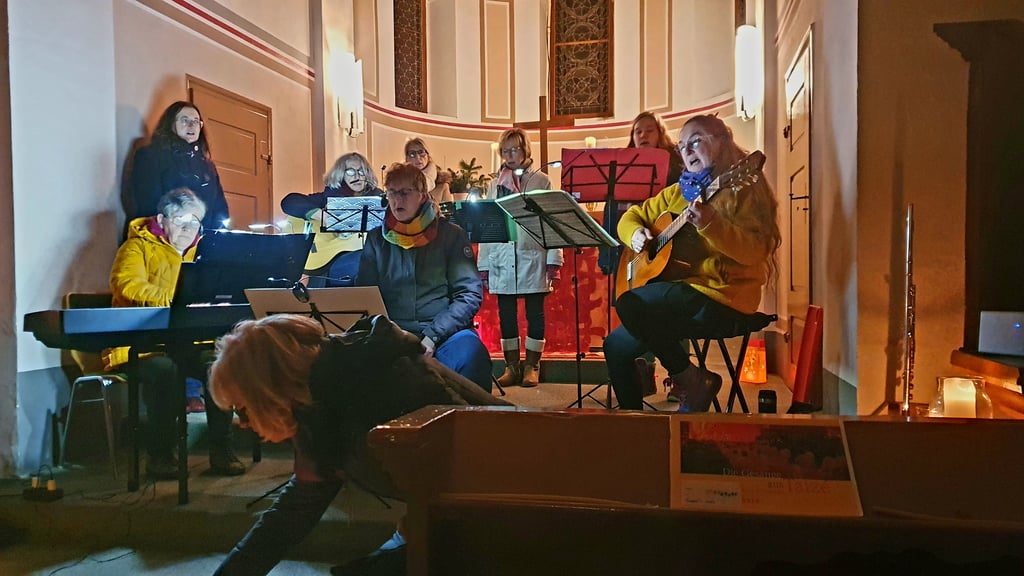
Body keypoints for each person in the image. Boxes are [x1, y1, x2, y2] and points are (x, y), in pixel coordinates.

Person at [208, 313, 511, 576]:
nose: (242, 422)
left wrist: (424, 522)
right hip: (453, 516)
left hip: (512, 505)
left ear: (269, 392)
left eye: (242, 407)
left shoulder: (384, 381)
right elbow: (295, 510)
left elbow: (483, 458)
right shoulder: (318, 400)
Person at [605, 114, 781, 411]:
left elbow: (755, 251)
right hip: (681, 292)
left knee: (631, 302)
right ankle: (633, 425)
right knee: (614, 346)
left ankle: (690, 378)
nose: (686, 150)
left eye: (696, 141)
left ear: (723, 142)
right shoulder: (677, 192)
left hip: (723, 296)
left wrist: (712, 223)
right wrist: (634, 235)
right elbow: (630, 216)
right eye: (683, 145)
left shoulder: (741, 186)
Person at [104, 188, 245, 477]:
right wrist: (175, 300)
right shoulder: (137, 247)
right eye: (182, 219)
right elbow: (127, 284)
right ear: (162, 218)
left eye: (196, 221)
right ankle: (160, 455)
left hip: (184, 340)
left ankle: (221, 449)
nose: (188, 228)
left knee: (216, 366)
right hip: (140, 343)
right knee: (164, 370)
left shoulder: (203, 251)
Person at [357, 163, 493, 392]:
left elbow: (468, 295)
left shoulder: (451, 235)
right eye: (391, 192)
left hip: (443, 333)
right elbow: (365, 295)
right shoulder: (376, 239)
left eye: (405, 192)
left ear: (422, 195)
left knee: (472, 354)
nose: (397, 200)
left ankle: (472, 424)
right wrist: (391, 336)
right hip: (393, 333)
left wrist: (432, 336)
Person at [477, 128, 564, 388]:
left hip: (532, 256)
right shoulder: (495, 184)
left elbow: (552, 224)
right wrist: (484, 265)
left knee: (535, 313)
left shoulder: (541, 181)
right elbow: (487, 225)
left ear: (526, 150)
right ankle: (511, 366)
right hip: (502, 257)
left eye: (515, 149)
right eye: (505, 150)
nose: (510, 155)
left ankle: (532, 366)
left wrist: (553, 259)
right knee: (506, 314)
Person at [280, 152, 384, 287]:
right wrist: (323, 217)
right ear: (341, 174)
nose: (357, 176)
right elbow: (289, 202)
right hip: (329, 263)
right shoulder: (327, 197)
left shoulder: (379, 199)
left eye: (361, 171)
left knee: (377, 260)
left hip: (362, 256)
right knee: (365, 262)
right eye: (351, 172)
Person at [129, 101, 230, 231]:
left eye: (196, 121)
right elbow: (147, 202)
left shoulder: (207, 166)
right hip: (165, 239)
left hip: (204, 241)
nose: (191, 125)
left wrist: (218, 237)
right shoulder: (151, 156)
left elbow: (219, 207)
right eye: (184, 120)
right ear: (171, 124)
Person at [403, 137, 453, 206]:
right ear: (407, 159)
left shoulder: (442, 186)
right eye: (412, 154)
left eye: (421, 152)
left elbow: (448, 213)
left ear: (428, 156)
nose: (418, 157)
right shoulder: (400, 184)